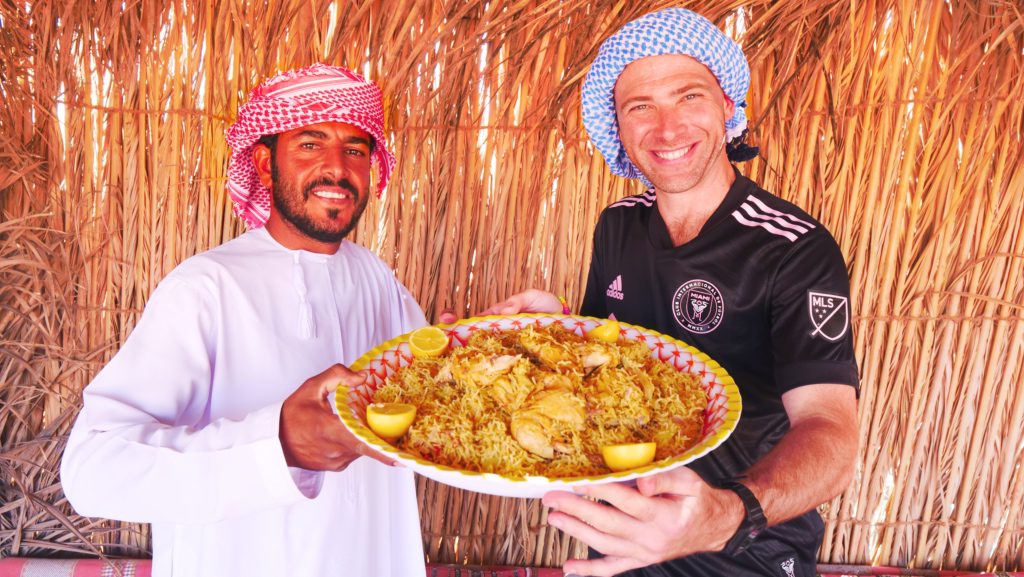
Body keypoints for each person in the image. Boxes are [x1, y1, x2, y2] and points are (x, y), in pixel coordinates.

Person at [482, 9, 859, 577]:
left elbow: (830, 431)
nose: (667, 129)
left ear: (728, 105)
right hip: (621, 535)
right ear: (618, 125)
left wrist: (728, 514)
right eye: (641, 106)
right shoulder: (617, 225)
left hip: (744, 549)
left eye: (688, 96)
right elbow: (602, 364)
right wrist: (557, 324)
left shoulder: (792, 246)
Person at [60, 64, 427, 577]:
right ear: (263, 162)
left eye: (355, 149)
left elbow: (430, 387)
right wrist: (275, 445)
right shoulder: (205, 288)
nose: (336, 168)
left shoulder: (378, 281)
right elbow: (93, 471)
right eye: (309, 144)